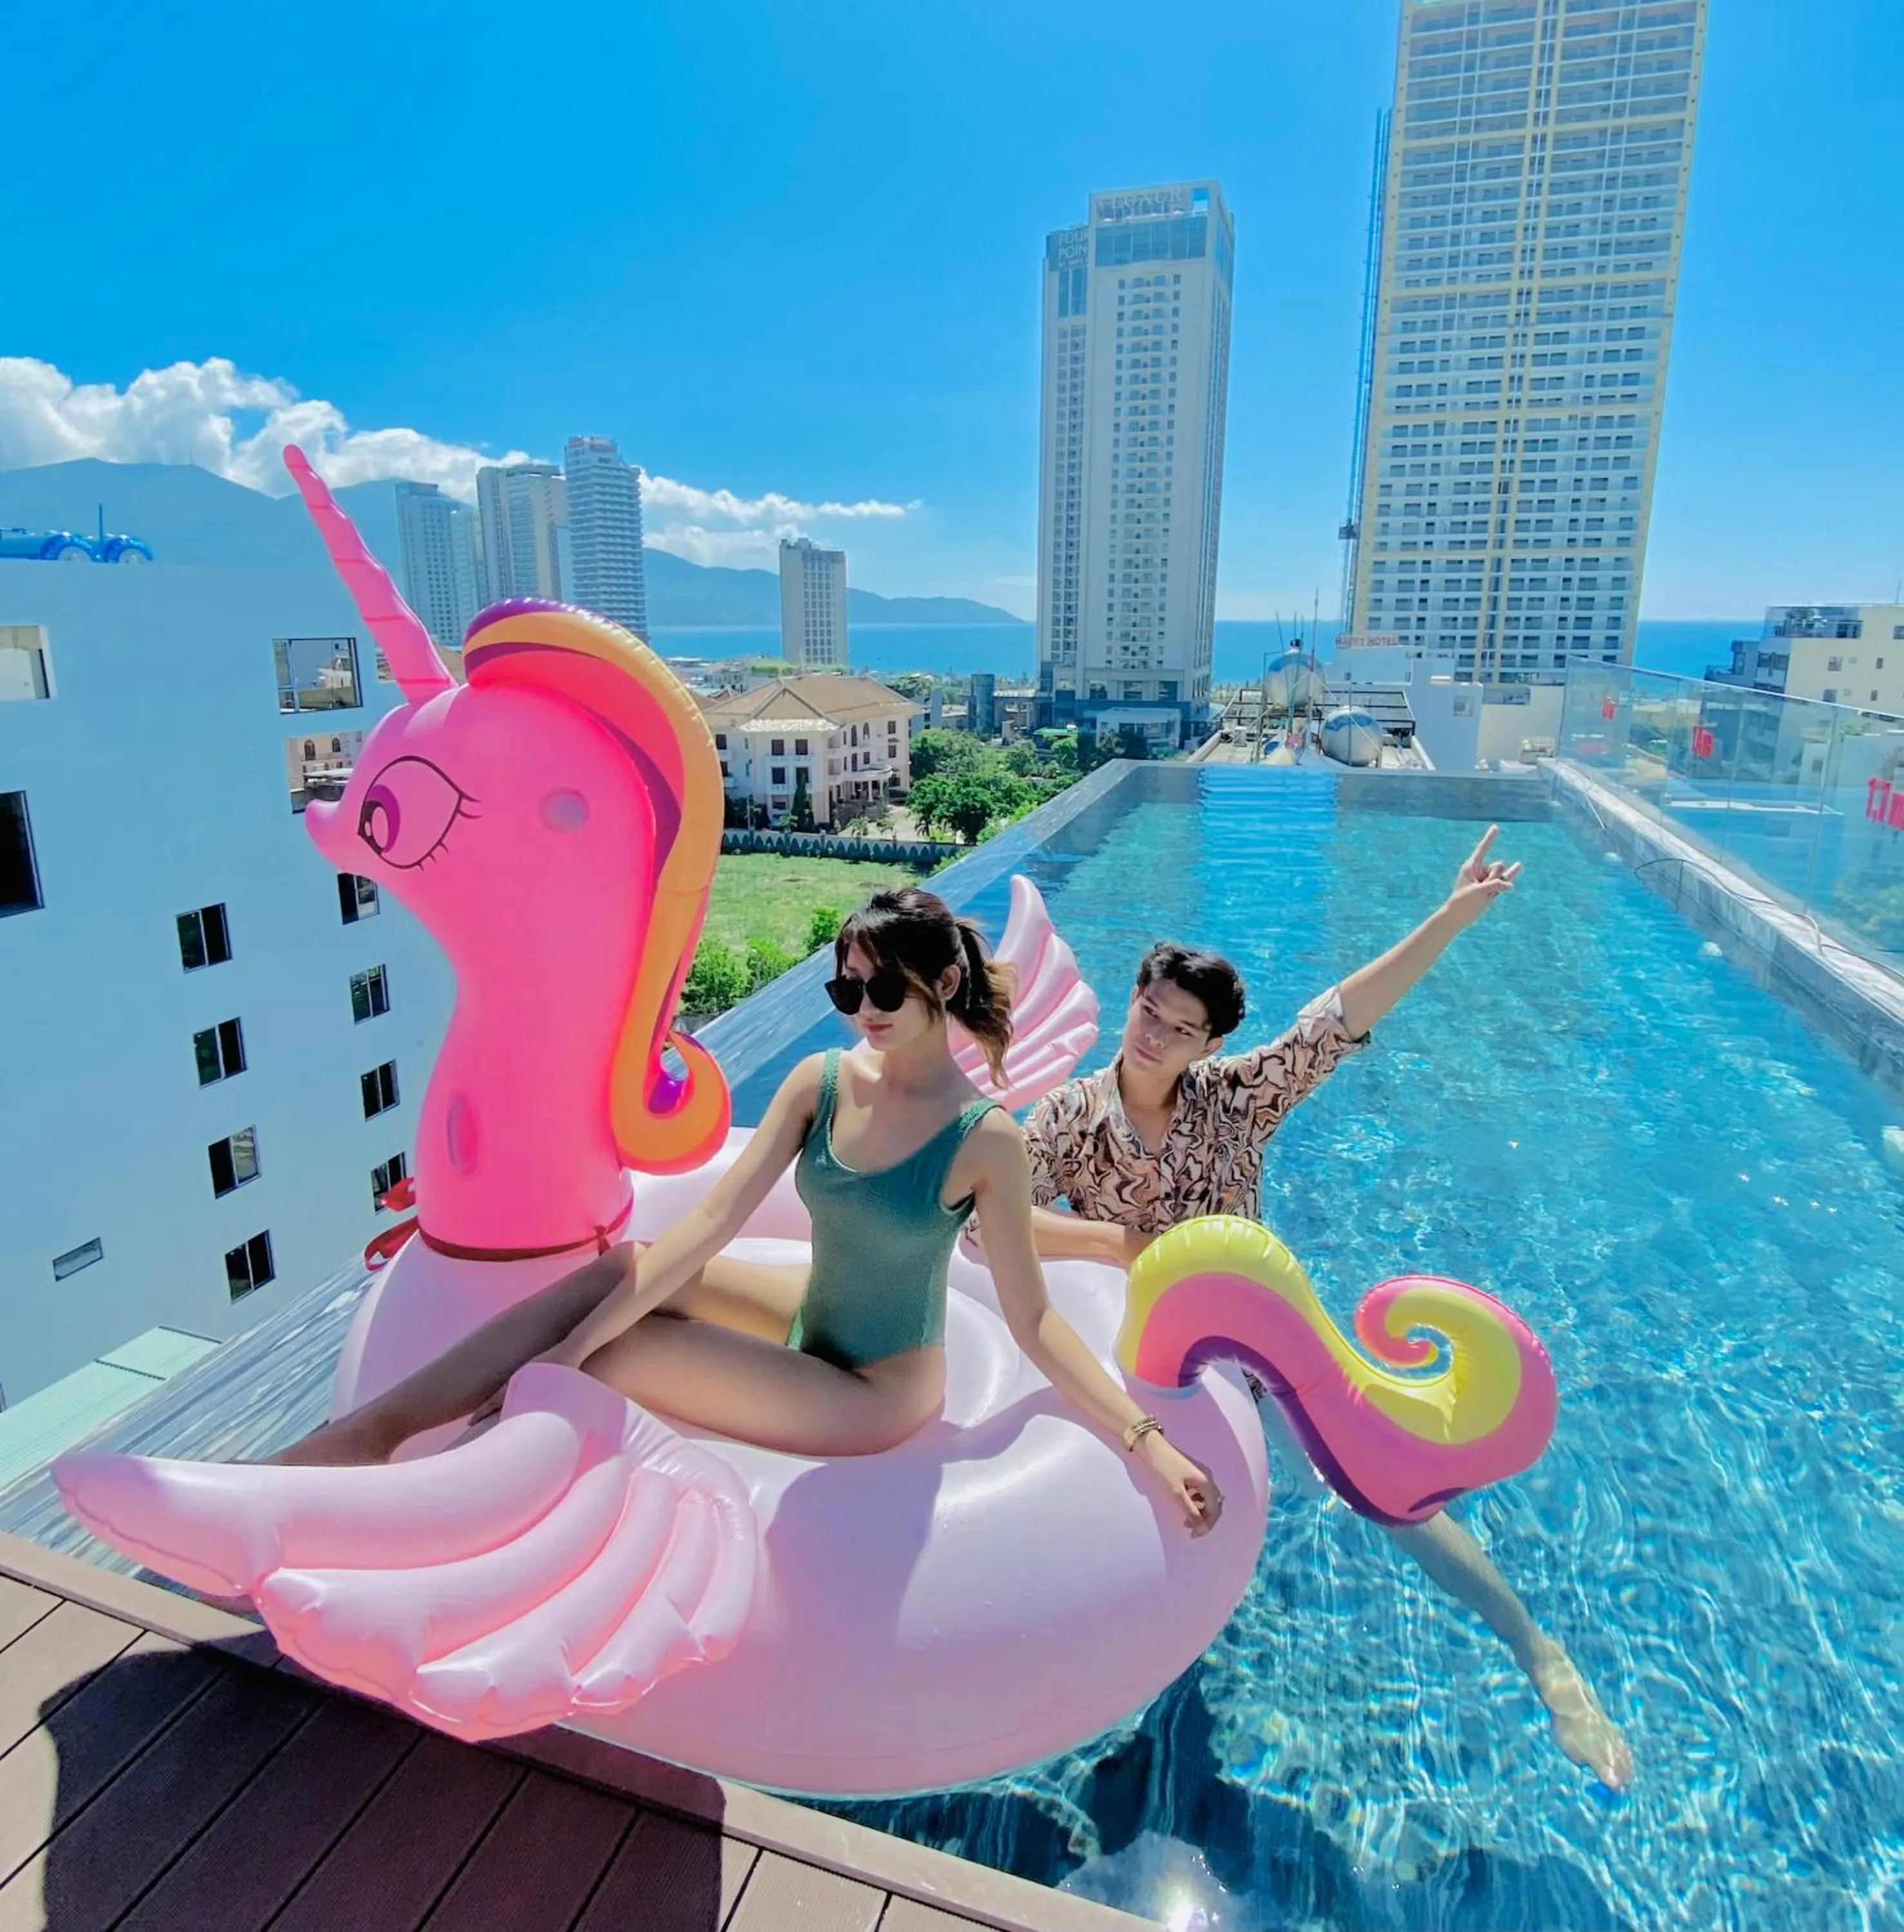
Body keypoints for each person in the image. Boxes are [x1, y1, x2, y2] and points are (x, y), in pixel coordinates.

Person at [969, 828, 1633, 1789]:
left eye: (1179, 1028)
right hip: (1138, 1363)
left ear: (1211, 1044)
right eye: (1148, 1010)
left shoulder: (1236, 1100)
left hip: (1258, 1360)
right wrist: (1117, 1243)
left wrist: (1447, 919)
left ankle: (1536, 1649)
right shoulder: (1071, 1115)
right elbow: (982, 1228)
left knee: (1388, 1496)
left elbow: (1337, 1020)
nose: (1152, 1035)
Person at [274, 887, 1221, 1539]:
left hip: (877, 1390)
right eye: (846, 987)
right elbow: (711, 1222)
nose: (863, 1009)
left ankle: (425, 1502)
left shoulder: (985, 1140)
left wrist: (1147, 1442)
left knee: (618, 1356)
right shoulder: (821, 1082)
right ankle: (365, 1439)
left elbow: (1035, 1320)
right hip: (809, 1319)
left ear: (941, 985)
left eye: (884, 988)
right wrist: (565, 1342)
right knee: (620, 1273)